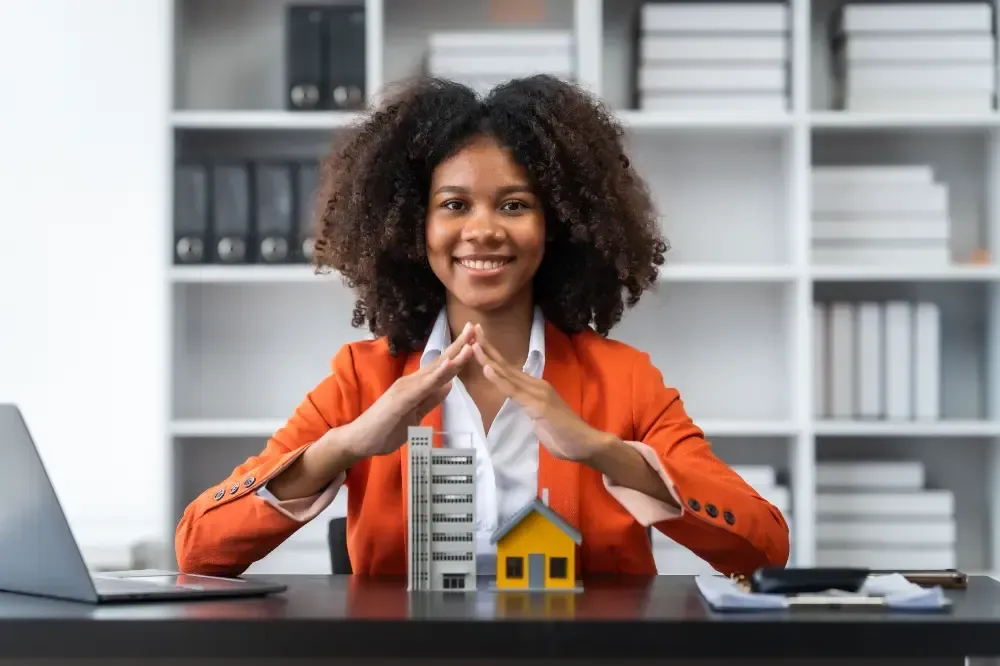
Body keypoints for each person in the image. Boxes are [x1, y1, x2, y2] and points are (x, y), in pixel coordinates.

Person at [175, 75, 790, 579]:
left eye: (515, 205)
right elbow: (199, 549)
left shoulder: (623, 379)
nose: (484, 230)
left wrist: (600, 450)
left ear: (559, 227)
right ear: (413, 227)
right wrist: (346, 445)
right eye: (454, 204)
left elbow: (764, 547)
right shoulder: (363, 378)